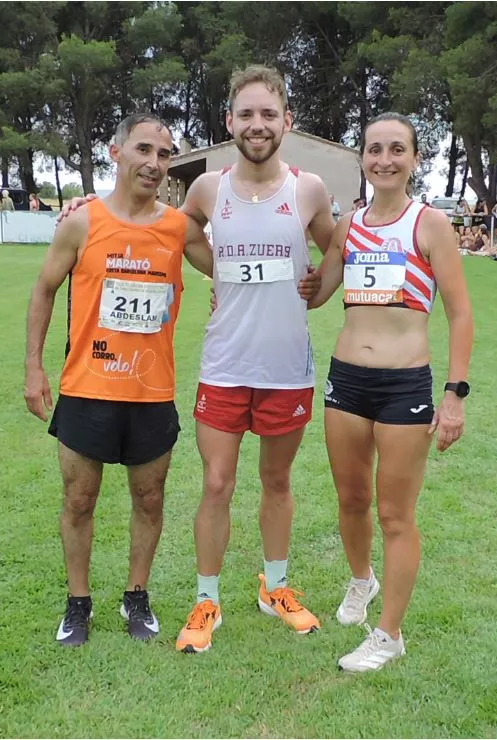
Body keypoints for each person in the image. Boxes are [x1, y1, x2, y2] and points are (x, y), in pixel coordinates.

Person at [24, 113, 220, 647]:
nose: (154, 163)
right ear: (116, 153)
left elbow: (231, 266)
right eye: (144, 149)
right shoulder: (82, 222)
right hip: (88, 389)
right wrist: (34, 368)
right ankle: (78, 604)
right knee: (79, 500)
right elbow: (44, 289)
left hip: (151, 393)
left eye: (164, 154)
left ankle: (136, 596)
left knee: (150, 500)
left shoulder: (179, 228)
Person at [167, 65, 337, 654]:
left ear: (287, 121)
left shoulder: (308, 188)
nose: (257, 124)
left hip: (287, 366)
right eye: (246, 114)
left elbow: (337, 244)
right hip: (225, 363)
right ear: (229, 122)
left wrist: (322, 286)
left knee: (277, 480)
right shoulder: (208, 190)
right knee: (215, 482)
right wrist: (219, 271)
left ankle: (276, 587)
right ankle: (207, 599)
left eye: (269, 114)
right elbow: (183, 232)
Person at [305, 112, 474, 672]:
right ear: (362, 158)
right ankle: (362, 581)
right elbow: (318, 291)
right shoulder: (349, 225)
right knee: (352, 500)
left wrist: (455, 394)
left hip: (405, 386)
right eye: (374, 149)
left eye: (396, 149)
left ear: (415, 159)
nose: (384, 159)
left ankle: (390, 635)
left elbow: (461, 313)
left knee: (396, 515)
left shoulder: (430, 224)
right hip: (347, 381)